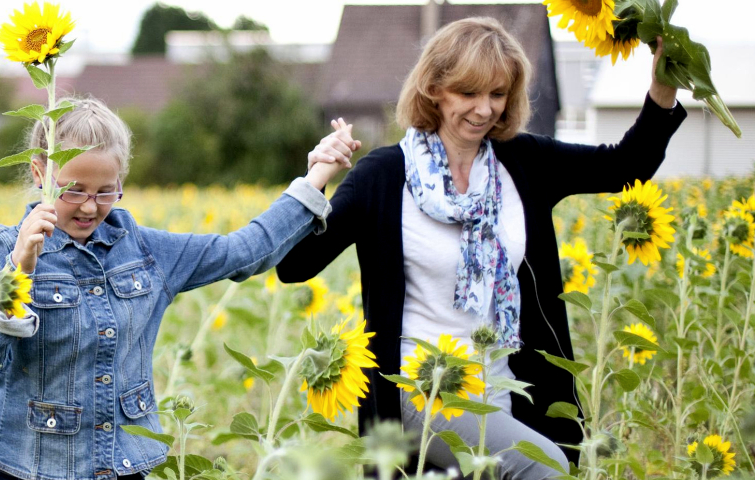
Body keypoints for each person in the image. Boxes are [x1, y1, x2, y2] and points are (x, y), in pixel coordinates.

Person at [277, 17, 684, 478]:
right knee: (543, 466)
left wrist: (662, 87)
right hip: (420, 386)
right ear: (434, 89)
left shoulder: (524, 161)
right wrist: (315, 178)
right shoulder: (384, 176)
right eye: (468, 94)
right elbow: (295, 264)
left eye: (497, 94)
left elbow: (622, 167)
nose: (484, 110)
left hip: (502, 384)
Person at [0, 97, 361, 480]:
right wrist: (20, 269)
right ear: (39, 174)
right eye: (73, 189)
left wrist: (317, 176)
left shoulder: (145, 251)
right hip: (29, 470)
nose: (88, 207)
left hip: (125, 468)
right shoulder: (5, 247)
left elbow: (243, 251)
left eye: (106, 192)